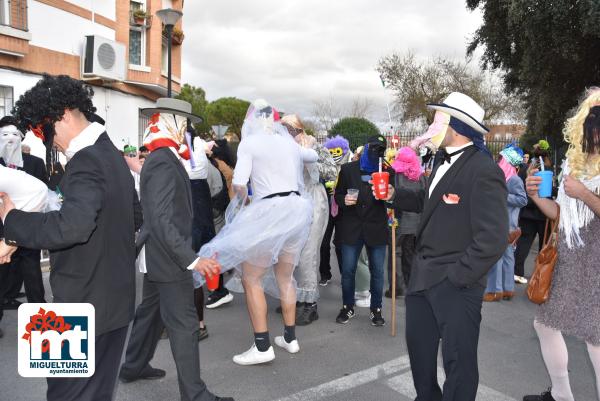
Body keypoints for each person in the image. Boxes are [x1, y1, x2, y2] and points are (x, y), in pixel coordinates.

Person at [0, 75, 142, 401]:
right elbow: (132, 217)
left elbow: (74, 227)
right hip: (113, 307)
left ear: (62, 114)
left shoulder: (88, 160)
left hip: (81, 307)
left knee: (64, 395)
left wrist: (12, 221)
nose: (46, 142)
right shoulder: (113, 156)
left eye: (42, 130)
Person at [386, 92, 508, 401]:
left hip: (455, 286)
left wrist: (456, 278)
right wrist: (392, 195)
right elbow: (430, 204)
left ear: (456, 126)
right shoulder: (440, 160)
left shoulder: (483, 170)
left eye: (438, 120)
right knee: (420, 359)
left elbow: (493, 239)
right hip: (421, 280)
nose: (432, 126)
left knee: (460, 366)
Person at [118, 98, 232, 401]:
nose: (187, 130)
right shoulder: (163, 161)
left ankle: (133, 365)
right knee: (184, 325)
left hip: (159, 256)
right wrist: (192, 260)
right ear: (170, 124)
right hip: (170, 259)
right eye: (182, 124)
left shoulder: (162, 157)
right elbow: (161, 219)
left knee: (149, 313)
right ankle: (195, 394)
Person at [197, 99, 317, 365]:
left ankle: (262, 346)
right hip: (296, 209)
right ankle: (290, 338)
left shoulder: (250, 144)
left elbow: (239, 183)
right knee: (286, 277)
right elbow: (313, 156)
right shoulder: (289, 143)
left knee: (251, 278)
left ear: (251, 120)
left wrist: (247, 199)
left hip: (268, 211)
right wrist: (306, 144)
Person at [523, 90, 600, 401]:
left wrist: (583, 194)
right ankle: (561, 394)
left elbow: (583, 203)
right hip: (569, 258)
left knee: (595, 339)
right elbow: (560, 215)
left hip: (596, 261)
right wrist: (536, 197)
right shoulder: (574, 162)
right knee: (545, 324)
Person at [282, 114, 336, 325]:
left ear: (297, 129)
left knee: (307, 253)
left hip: (313, 200)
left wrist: (309, 161)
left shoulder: (313, 144)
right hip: (290, 201)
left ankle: (310, 305)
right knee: (289, 252)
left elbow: (333, 171)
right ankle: (293, 298)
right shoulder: (281, 148)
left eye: (288, 129)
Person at [334, 135, 391, 327]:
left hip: (376, 228)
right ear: (366, 148)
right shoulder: (348, 169)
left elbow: (394, 197)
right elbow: (338, 196)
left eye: (380, 149)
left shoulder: (386, 170)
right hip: (352, 227)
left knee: (378, 272)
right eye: (374, 148)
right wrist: (344, 201)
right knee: (348, 271)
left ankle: (376, 309)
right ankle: (347, 306)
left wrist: (390, 196)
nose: (377, 152)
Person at [0, 116, 47, 311]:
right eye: (4, 134)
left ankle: (38, 309)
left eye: (14, 134)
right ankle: (6, 299)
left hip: (28, 224)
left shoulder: (34, 162)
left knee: (31, 266)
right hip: (2, 227)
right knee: (4, 269)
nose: (10, 139)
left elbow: (44, 191)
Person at [0, 164, 48, 339]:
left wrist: (14, 235)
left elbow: (41, 190)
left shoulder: (9, 172)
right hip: (20, 221)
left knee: (30, 271)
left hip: (21, 222)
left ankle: (39, 316)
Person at [484, 144, 528, 302]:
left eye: (502, 157)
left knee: (498, 257)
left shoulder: (514, 179)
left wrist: (503, 196)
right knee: (507, 257)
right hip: (503, 222)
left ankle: (495, 291)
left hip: (505, 223)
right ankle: (507, 289)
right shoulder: (502, 176)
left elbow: (523, 200)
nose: (499, 159)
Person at [386, 146, 425, 298]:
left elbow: (390, 197)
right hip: (416, 224)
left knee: (395, 255)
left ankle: (396, 288)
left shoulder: (395, 175)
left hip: (399, 222)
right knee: (410, 256)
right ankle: (411, 286)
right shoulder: (421, 177)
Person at [319, 135, 352, 286]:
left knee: (340, 243)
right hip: (326, 208)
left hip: (342, 210)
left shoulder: (349, 168)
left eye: (337, 150)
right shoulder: (324, 167)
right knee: (323, 243)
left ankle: (345, 274)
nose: (334, 154)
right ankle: (325, 273)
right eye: (331, 151)